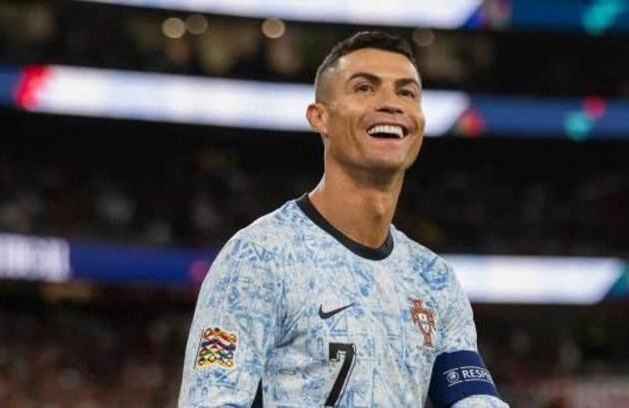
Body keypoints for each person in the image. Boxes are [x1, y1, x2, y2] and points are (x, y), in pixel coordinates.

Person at [178, 31, 509, 407]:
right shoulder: (259, 257)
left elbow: (475, 401)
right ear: (320, 117)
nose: (391, 104)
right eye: (365, 88)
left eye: (406, 93)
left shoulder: (434, 280)